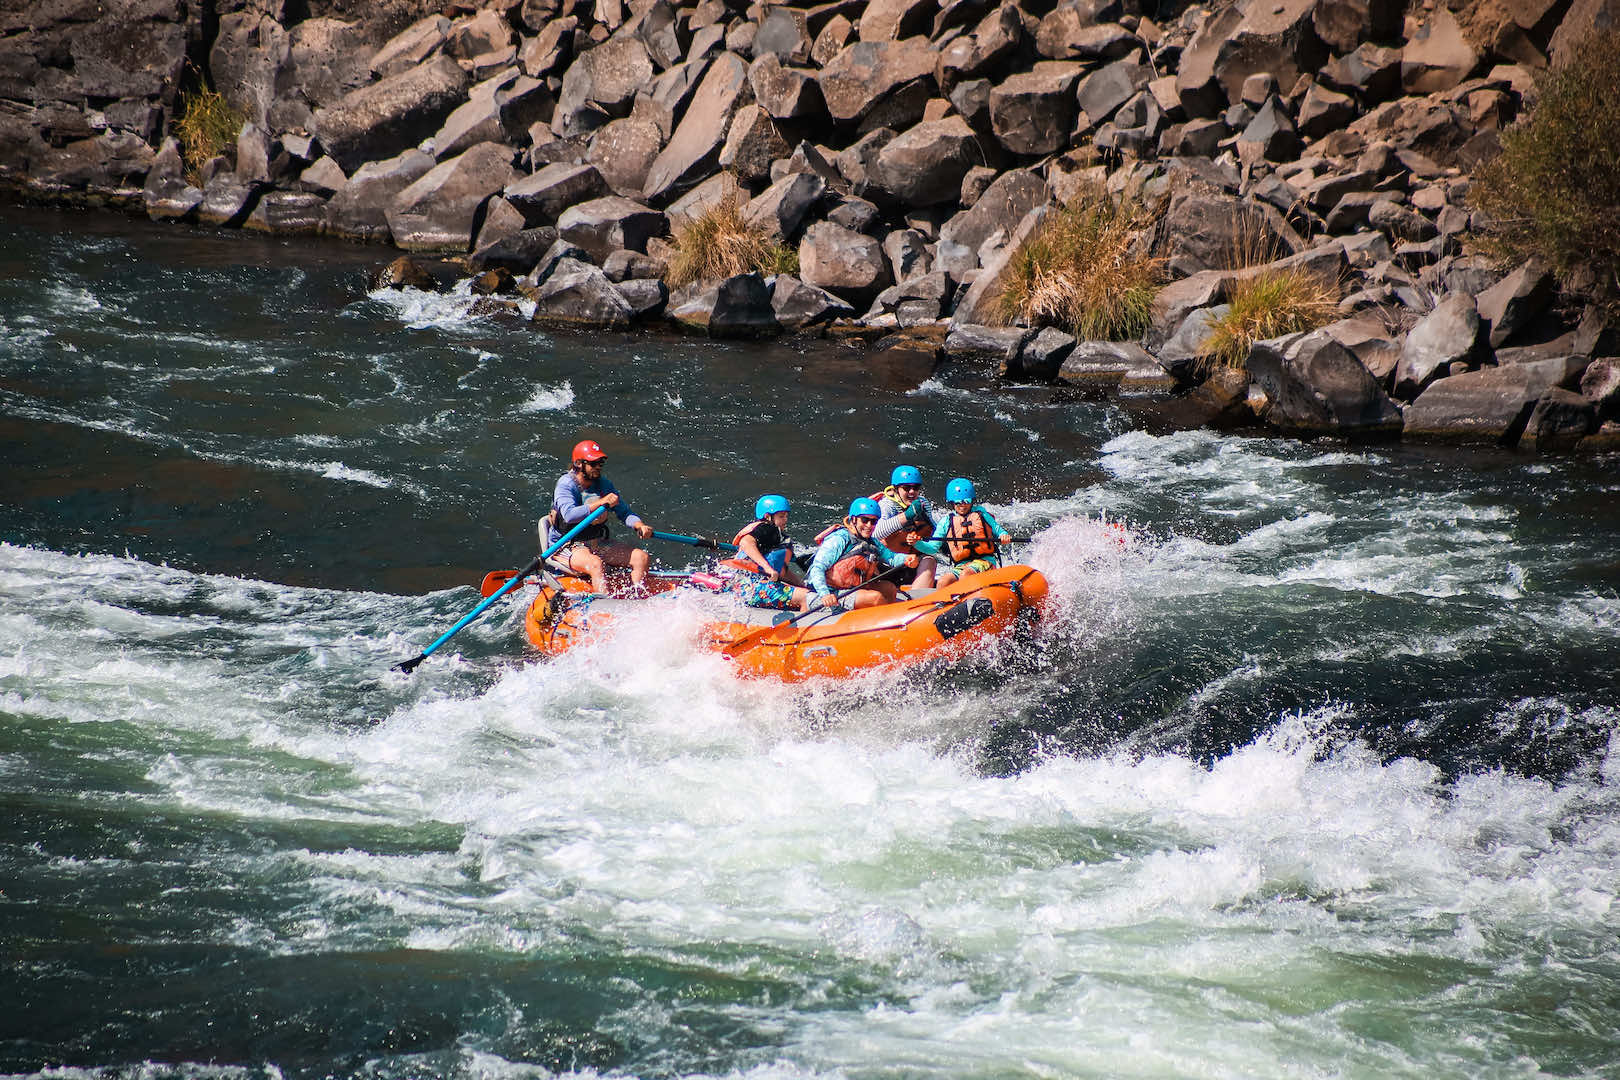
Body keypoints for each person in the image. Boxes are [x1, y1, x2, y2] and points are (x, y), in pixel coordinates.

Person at [541, 439, 655, 593]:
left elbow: (624, 512)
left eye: (600, 463)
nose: (598, 467)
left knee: (641, 558)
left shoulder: (603, 484)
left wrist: (639, 525)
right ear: (579, 464)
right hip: (565, 545)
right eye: (594, 463)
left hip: (595, 543)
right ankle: (603, 608)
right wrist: (602, 502)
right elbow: (569, 515)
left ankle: (636, 598)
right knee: (596, 564)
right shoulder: (566, 484)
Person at [806, 497, 936, 610]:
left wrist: (906, 559)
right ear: (853, 520)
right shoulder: (839, 539)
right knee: (875, 598)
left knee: (889, 588)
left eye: (873, 521)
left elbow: (891, 557)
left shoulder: (872, 542)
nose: (869, 525)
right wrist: (825, 594)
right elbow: (817, 568)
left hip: (853, 590)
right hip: (830, 594)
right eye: (865, 520)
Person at [714, 494, 810, 611]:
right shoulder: (767, 528)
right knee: (806, 597)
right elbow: (746, 543)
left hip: (753, 586)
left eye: (786, 516)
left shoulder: (777, 536)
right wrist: (767, 568)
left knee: (805, 592)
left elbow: (783, 572)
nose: (785, 520)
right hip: (748, 588)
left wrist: (802, 585)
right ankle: (808, 627)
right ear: (767, 517)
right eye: (781, 516)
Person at [871, 464, 953, 589]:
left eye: (916, 488)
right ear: (896, 489)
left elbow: (933, 530)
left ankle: (918, 597)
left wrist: (946, 545)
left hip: (913, 563)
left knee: (929, 560)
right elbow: (876, 534)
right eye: (906, 488)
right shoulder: (886, 505)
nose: (912, 492)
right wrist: (907, 516)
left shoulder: (922, 503)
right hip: (886, 566)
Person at [920, 477, 1013, 580]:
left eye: (967, 501)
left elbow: (999, 531)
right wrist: (916, 543)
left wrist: (1004, 536)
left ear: (972, 501)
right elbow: (932, 548)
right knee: (943, 581)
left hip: (985, 562)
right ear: (951, 502)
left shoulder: (983, 515)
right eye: (958, 502)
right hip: (961, 566)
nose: (963, 505)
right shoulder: (946, 522)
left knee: (966, 574)